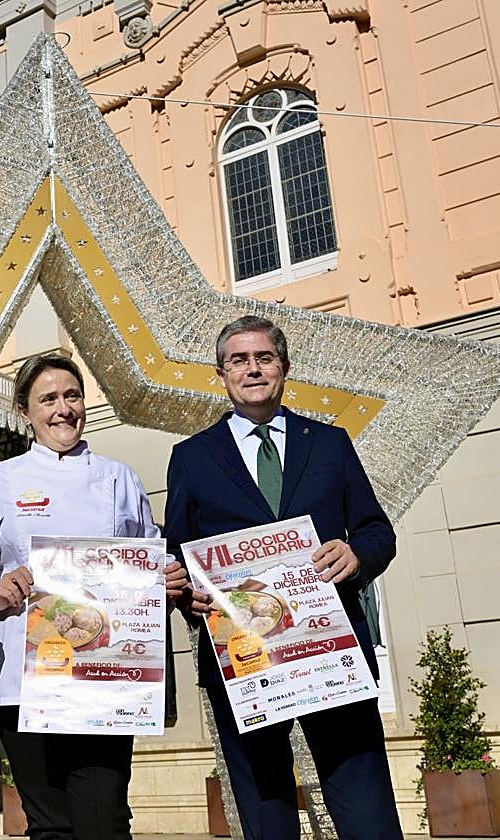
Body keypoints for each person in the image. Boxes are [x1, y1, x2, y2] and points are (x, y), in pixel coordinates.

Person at [164, 315, 402, 840]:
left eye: (264, 358)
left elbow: (377, 530)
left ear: (284, 367)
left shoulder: (331, 443)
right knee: (266, 813)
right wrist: (188, 595)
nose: (253, 369)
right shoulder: (191, 458)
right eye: (239, 360)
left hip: (330, 652)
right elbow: (177, 556)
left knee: (367, 810)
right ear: (221, 374)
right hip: (242, 661)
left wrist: (357, 555)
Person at [0, 354, 191, 840]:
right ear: (24, 412)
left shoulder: (120, 478)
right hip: (24, 677)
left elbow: (145, 563)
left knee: (105, 817)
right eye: (48, 399)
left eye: (72, 396)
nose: (63, 409)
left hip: (104, 673)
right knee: (48, 822)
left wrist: (165, 581)